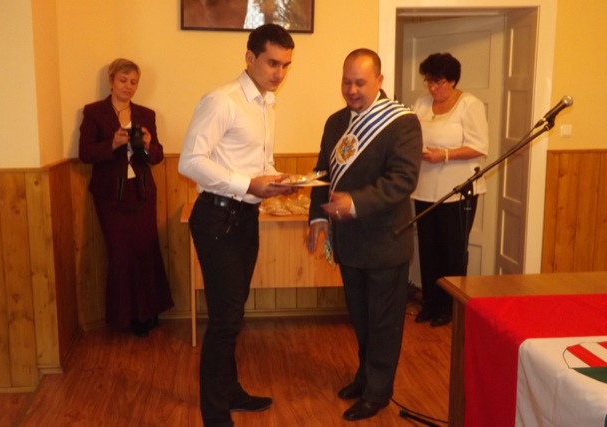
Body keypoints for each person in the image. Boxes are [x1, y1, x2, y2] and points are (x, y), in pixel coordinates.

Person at [178, 24, 295, 427]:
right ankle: (214, 413)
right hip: (216, 217)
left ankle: (229, 392)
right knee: (225, 319)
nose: (279, 73)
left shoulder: (266, 104)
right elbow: (190, 161)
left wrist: (278, 181)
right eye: (272, 63)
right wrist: (248, 184)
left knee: (233, 314)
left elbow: (258, 164)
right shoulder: (221, 100)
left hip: (245, 217)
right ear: (249, 57)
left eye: (286, 65)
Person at [307, 48, 422, 422]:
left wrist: (355, 202)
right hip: (348, 241)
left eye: (360, 82)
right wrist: (317, 219)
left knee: (384, 322)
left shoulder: (402, 123)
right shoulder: (335, 121)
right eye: (346, 82)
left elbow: (402, 180)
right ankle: (365, 376)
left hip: (385, 241)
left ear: (379, 81)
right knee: (361, 317)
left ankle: (378, 392)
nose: (352, 90)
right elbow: (322, 173)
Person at [79, 58, 173, 337]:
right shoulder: (94, 112)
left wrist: (148, 144)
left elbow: (157, 156)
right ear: (111, 81)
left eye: (133, 82)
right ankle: (126, 317)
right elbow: (85, 153)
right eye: (123, 80)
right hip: (110, 195)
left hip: (142, 193)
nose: (128, 86)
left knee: (146, 251)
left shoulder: (146, 114)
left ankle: (148, 313)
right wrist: (113, 143)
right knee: (120, 254)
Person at [411, 52, 489, 327]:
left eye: (438, 82)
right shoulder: (421, 104)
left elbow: (480, 146)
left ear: (453, 81)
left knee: (452, 252)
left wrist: (444, 155)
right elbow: (411, 135)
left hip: (457, 192)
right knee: (428, 249)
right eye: (429, 81)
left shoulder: (469, 105)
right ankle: (431, 304)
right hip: (424, 189)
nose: (432, 88)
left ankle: (450, 308)